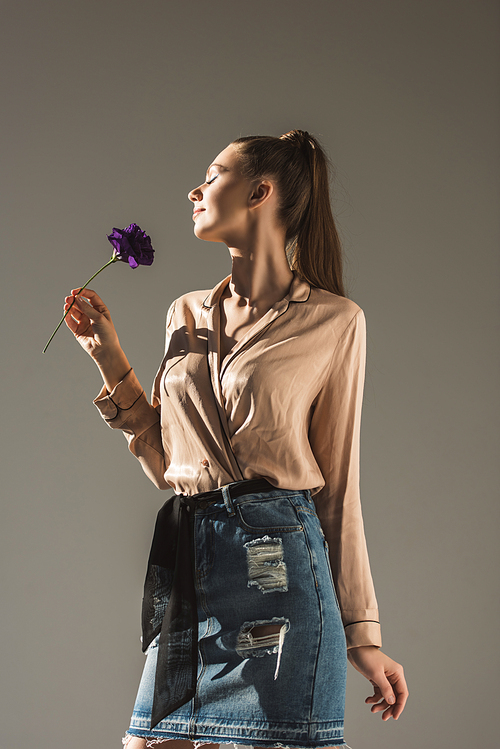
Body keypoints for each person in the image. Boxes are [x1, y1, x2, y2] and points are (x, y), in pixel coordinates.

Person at [64, 130, 408, 749]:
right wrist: (110, 360)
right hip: (195, 567)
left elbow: (339, 490)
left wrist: (364, 635)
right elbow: (173, 464)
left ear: (260, 192)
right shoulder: (185, 313)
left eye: (213, 175)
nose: (194, 190)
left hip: (281, 575)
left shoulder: (335, 321)